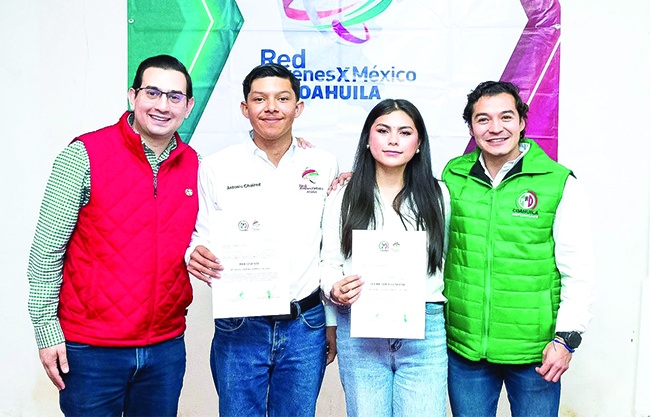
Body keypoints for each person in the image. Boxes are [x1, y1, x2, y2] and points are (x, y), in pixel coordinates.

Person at [27, 54, 198, 416]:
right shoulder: (84, 155)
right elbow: (46, 250)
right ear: (133, 96)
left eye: (174, 97)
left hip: (165, 349)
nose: (162, 106)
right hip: (91, 350)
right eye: (152, 93)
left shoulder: (196, 166)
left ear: (188, 106)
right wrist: (47, 331)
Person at [186, 63, 339, 417]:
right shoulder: (217, 167)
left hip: (305, 325)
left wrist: (331, 321)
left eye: (282, 98)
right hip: (240, 325)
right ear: (245, 108)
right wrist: (194, 253)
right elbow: (200, 235)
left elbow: (331, 250)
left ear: (298, 107)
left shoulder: (323, 163)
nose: (271, 107)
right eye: (259, 99)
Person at [443, 81, 595, 416]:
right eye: (483, 119)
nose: (495, 128)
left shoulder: (558, 182)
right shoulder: (453, 176)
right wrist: (359, 177)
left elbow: (578, 269)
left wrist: (566, 339)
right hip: (466, 351)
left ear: (522, 121)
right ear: (471, 127)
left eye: (506, 117)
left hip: (536, 353)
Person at [320, 99, 450, 417]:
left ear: (419, 144)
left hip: (424, 328)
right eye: (383, 131)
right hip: (360, 328)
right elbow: (329, 262)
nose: (393, 140)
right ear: (368, 139)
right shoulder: (343, 195)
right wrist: (335, 288)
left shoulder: (439, 195)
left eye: (404, 132)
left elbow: (444, 259)